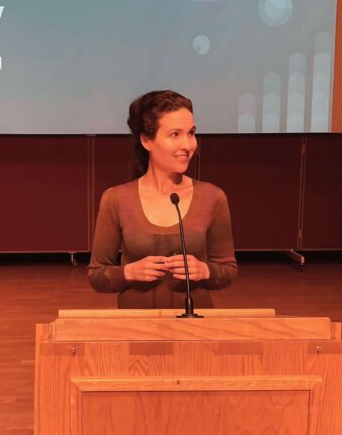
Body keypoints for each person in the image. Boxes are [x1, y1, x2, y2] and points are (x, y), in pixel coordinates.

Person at [88, 89, 237, 309]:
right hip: (135, 329)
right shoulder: (116, 199)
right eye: (175, 134)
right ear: (147, 140)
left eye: (191, 133)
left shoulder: (212, 197)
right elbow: (97, 275)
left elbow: (228, 269)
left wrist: (205, 270)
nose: (187, 145)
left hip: (196, 329)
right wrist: (128, 272)